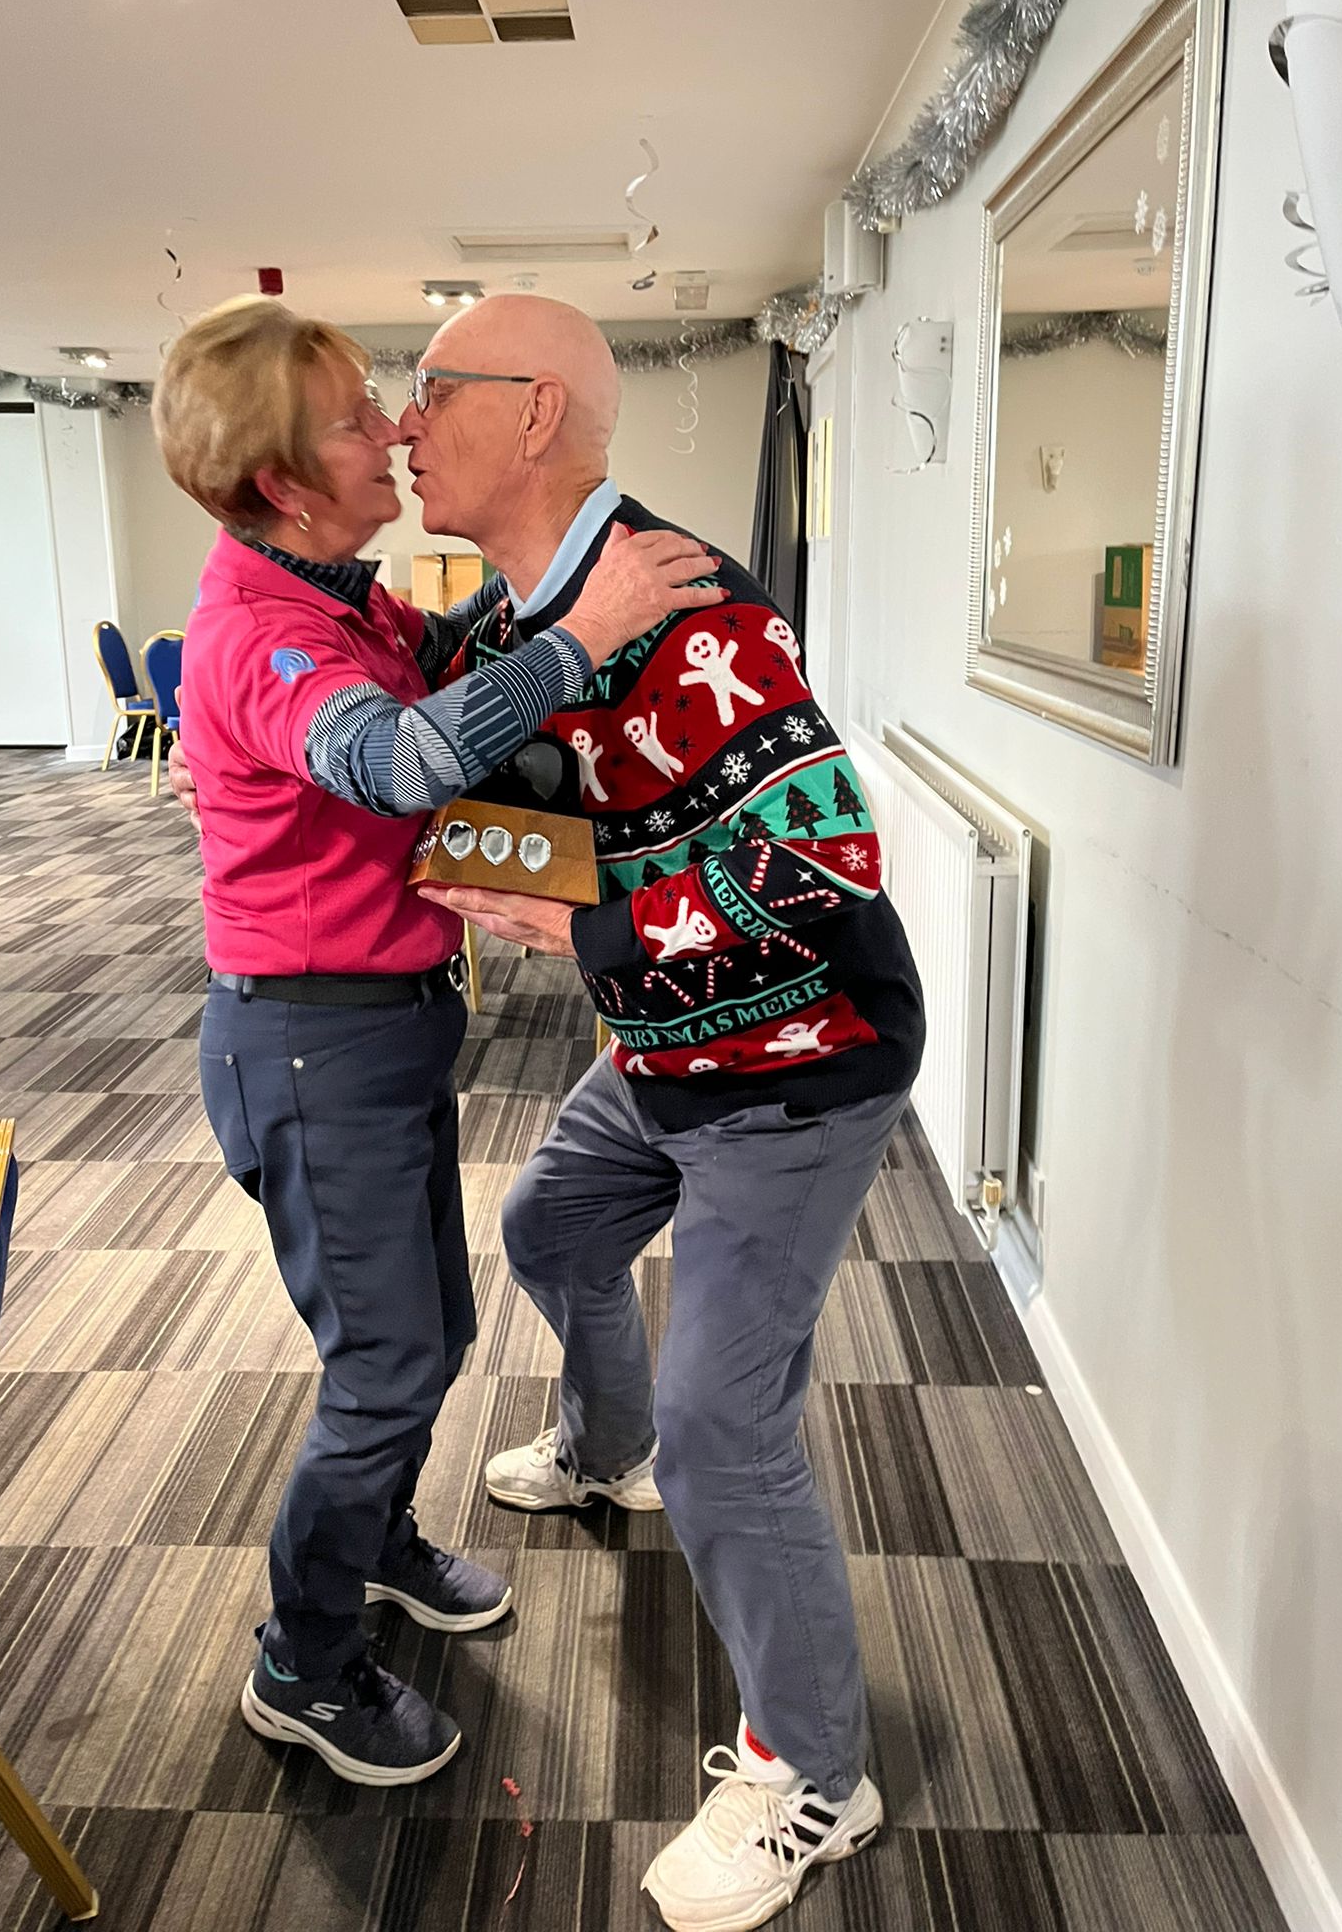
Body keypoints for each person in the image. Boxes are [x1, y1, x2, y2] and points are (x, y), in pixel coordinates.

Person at [402, 295, 927, 1932]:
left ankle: (818, 1776)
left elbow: (827, 858)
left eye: (429, 391)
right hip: (666, 1051)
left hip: (795, 1068)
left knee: (728, 1429)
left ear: (534, 412)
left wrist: (594, 930)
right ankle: (604, 1447)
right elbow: (479, 781)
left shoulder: (696, 607)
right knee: (551, 1227)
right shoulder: (511, 625)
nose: (405, 424)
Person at [152, 295, 720, 1791]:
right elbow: (402, 759)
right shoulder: (257, 630)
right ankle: (303, 1661)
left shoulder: (343, 596)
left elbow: (453, 655)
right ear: (281, 483)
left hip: (388, 1031)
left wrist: (557, 575)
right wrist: (586, 632)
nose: (397, 428)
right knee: (385, 1370)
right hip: (306, 1048)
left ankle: (378, 1544)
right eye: (359, 420)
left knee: (435, 1338)